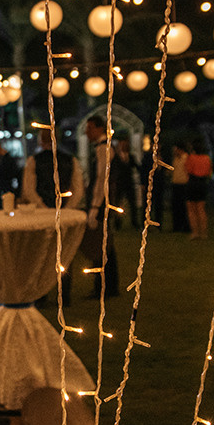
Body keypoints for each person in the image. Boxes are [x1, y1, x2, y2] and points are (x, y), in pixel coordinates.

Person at [21, 128, 84, 306]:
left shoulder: (33, 161)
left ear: (41, 141)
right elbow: (78, 189)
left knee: (41, 254)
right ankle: (65, 295)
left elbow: (29, 189)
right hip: (64, 214)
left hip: (42, 214)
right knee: (64, 253)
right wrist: (67, 209)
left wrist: (43, 208)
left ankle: (41, 295)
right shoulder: (71, 160)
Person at [81, 116, 119, 299]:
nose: (87, 132)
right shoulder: (103, 148)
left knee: (100, 245)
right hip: (104, 201)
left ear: (99, 129)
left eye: (90, 128)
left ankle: (103, 287)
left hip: (101, 202)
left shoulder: (103, 149)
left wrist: (95, 207)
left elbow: (101, 180)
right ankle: (109, 285)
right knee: (105, 245)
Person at [109, 135, 139, 230]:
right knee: (118, 203)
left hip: (129, 183)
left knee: (132, 203)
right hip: (120, 183)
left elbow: (136, 166)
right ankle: (117, 223)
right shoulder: (116, 157)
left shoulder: (131, 156)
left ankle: (134, 222)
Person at [184, 141, 213, 239]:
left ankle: (195, 232)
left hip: (193, 182)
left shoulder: (191, 158)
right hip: (203, 183)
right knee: (201, 208)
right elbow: (209, 172)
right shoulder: (207, 158)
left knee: (191, 209)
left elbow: (188, 169)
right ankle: (203, 232)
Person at [0, 140, 22, 208]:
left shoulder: (6, 159)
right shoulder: (2, 158)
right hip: (5, 187)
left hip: (6, 187)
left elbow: (2, 174)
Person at [170, 144, 190, 233]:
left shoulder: (186, 158)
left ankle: (185, 226)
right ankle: (176, 226)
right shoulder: (175, 159)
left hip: (184, 184)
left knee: (184, 207)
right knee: (176, 206)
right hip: (176, 184)